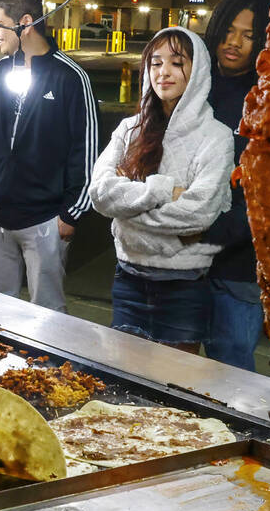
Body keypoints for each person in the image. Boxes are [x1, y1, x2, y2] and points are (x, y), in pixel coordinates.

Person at [88, 27, 233, 352]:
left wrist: (128, 213)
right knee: (124, 383)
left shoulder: (216, 137)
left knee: (176, 389)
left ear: (198, 71)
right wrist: (167, 191)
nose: (163, 72)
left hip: (184, 286)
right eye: (155, 63)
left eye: (176, 62)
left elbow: (199, 214)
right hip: (128, 279)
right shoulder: (130, 129)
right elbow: (100, 193)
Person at [0, 0, 98, 312]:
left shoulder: (70, 77)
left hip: (45, 219)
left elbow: (86, 150)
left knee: (49, 317)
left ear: (24, 22)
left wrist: (71, 214)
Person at [201, 0, 270, 370]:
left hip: (238, 265)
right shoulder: (194, 83)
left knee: (229, 371)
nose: (234, 42)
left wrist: (217, 232)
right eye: (229, 30)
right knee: (167, 366)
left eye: (248, 35)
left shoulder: (267, 99)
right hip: (184, 256)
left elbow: (268, 193)